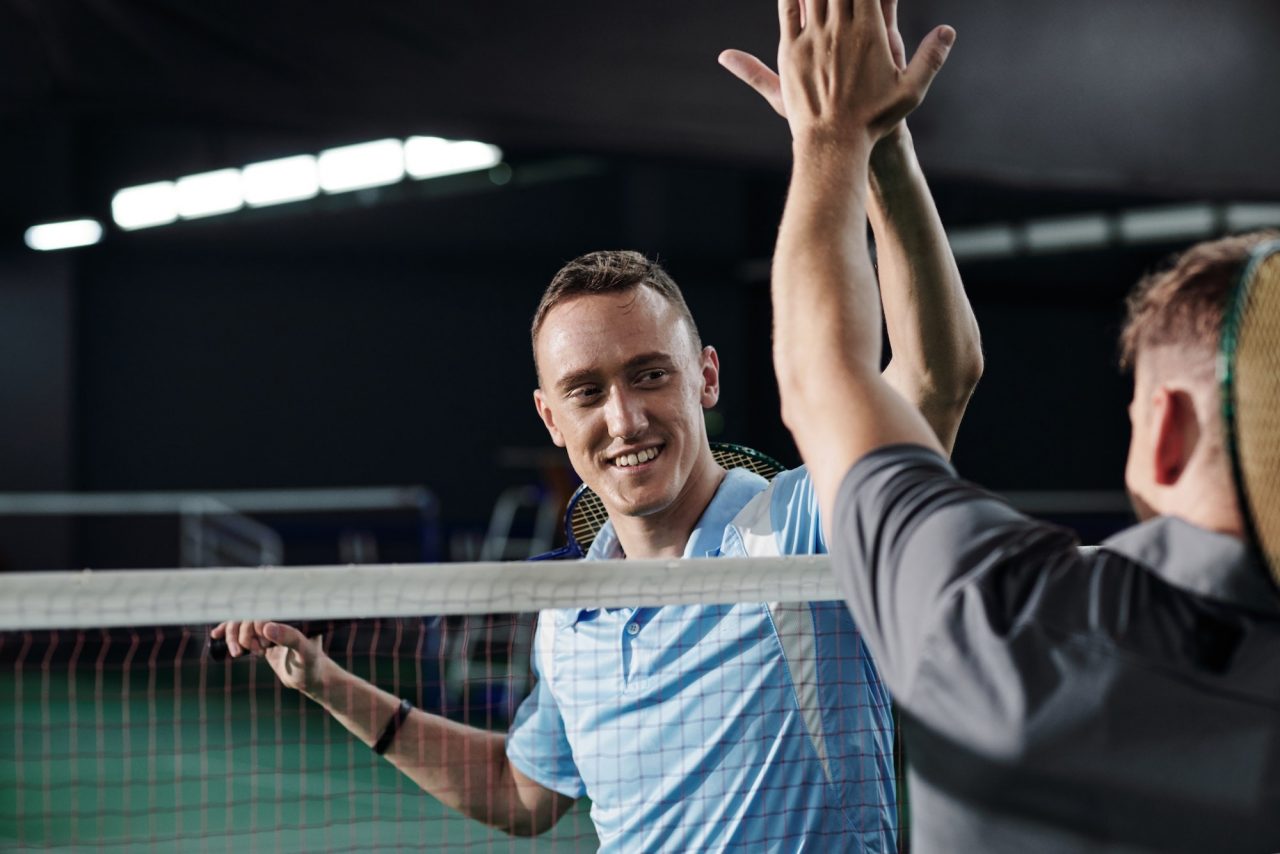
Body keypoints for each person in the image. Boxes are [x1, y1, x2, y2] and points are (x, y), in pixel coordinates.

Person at [212, 8, 982, 848]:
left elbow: (940, 377)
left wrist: (878, 145)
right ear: (551, 417)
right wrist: (324, 681)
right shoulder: (570, 611)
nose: (624, 419)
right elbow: (520, 793)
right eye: (586, 391)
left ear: (707, 378)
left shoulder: (804, 529)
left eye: (650, 374)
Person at [759, 0, 1280, 851]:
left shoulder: (1000, 617)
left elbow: (828, 374)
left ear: (1168, 430)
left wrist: (834, 137)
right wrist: (868, 144)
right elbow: (867, 377)